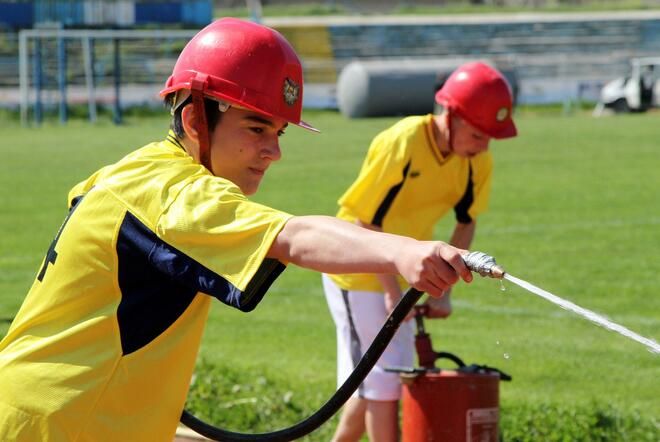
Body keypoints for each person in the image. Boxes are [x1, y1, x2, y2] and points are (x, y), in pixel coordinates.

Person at [0, 18, 474, 441]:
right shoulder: (174, 195)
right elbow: (295, 238)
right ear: (193, 118)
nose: (274, 151)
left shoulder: (137, 172)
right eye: (256, 128)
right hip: (63, 424)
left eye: (278, 133)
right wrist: (402, 252)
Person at [322, 62, 518, 442]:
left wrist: (444, 288)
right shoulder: (404, 141)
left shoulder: (477, 161)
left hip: (406, 269)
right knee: (384, 384)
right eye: (478, 134)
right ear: (451, 115)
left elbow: (465, 224)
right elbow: (366, 222)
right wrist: (392, 291)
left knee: (367, 387)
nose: (484, 146)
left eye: (492, 138)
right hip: (356, 265)